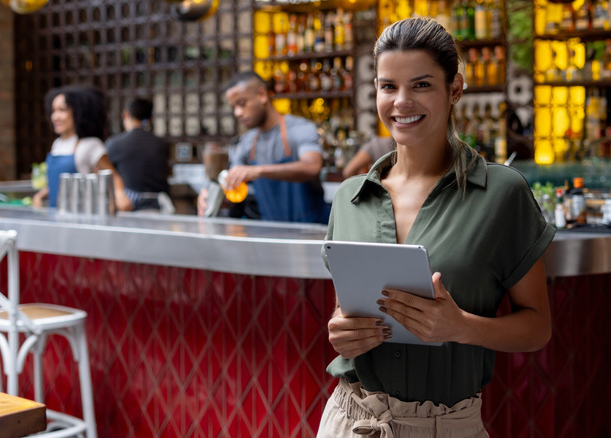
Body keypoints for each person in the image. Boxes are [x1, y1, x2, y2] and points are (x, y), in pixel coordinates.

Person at [318, 18, 555, 437]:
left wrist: (461, 326)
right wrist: (342, 332)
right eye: (388, 86)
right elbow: (346, 311)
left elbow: (537, 328)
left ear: (456, 89)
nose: (401, 102)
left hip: (445, 427)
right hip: (349, 419)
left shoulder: (501, 192)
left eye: (422, 85)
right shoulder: (350, 197)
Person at [197, 71, 329, 224]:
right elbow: (231, 182)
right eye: (234, 107)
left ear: (262, 95)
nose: (237, 113)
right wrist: (211, 194)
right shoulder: (247, 142)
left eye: (242, 103)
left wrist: (257, 171)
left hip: (312, 231)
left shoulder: (299, 129)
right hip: (272, 231)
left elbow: (312, 167)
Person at [32, 84, 131, 211]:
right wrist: (40, 196)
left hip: (80, 215)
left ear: (79, 111)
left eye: (62, 110)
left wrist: (120, 196)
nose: (55, 117)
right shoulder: (57, 144)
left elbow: (113, 177)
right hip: (55, 214)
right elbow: (58, 183)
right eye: (53, 111)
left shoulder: (90, 145)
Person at [106, 97, 172, 213]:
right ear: (150, 119)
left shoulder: (114, 144)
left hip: (128, 207)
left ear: (126, 114)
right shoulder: (161, 144)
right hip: (159, 208)